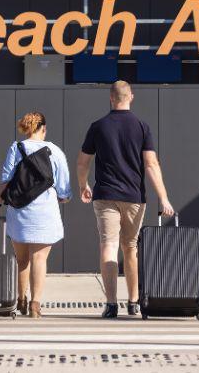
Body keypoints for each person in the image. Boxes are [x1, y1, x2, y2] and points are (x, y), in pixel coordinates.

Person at [77, 81, 174, 319]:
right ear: (131, 96)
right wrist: (164, 197)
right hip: (134, 197)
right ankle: (133, 302)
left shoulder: (98, 127)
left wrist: (83, 185)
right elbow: (151, 164)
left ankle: (111, 304)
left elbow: (83, 162)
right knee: (130, 248)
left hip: (106, 196)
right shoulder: (141, 126)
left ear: (111, 98)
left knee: (108, 246)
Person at [0, 112, 71, 319]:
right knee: (39, 258)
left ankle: (21, 299)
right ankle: (35, 305)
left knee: (22, 259)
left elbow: (5, 181)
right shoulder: (54, 151)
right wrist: (64, 197)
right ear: (43, 128)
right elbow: (64, 188)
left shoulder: (15, 148)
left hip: (19, 211)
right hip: (45, 211)